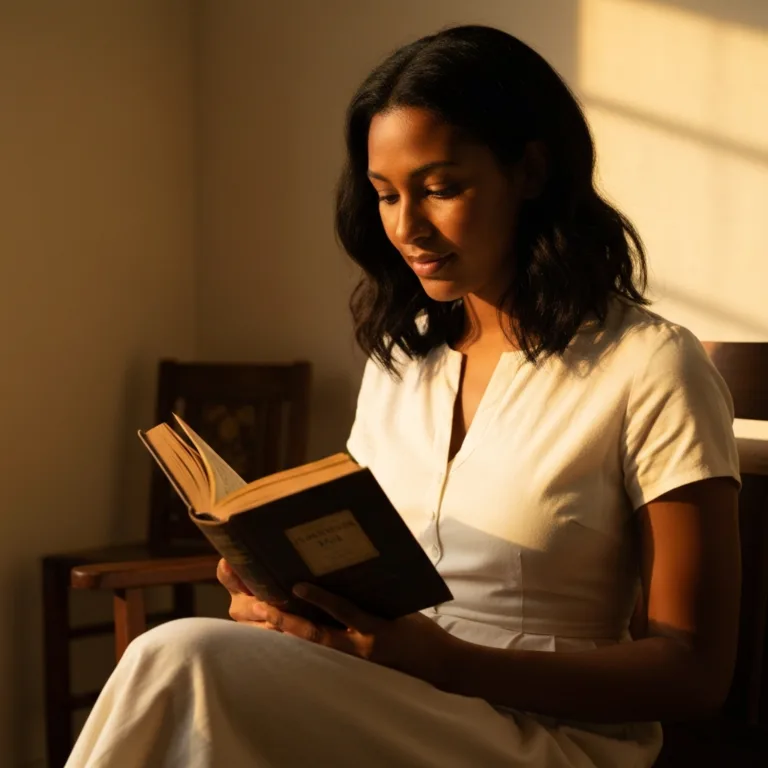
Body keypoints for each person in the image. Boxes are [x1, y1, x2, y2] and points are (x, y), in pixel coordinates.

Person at [66, 24, 741, 768]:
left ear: (531, 170)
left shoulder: (651, 366)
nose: (406, 227)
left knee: (182, 655)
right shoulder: (404, 360)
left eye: (440, 189)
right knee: (196, 660)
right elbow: (365, 572)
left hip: (546, 734)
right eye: (386, 195)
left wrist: (448, 663)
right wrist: (291, 606)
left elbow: (694, 674)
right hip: (393, 700)